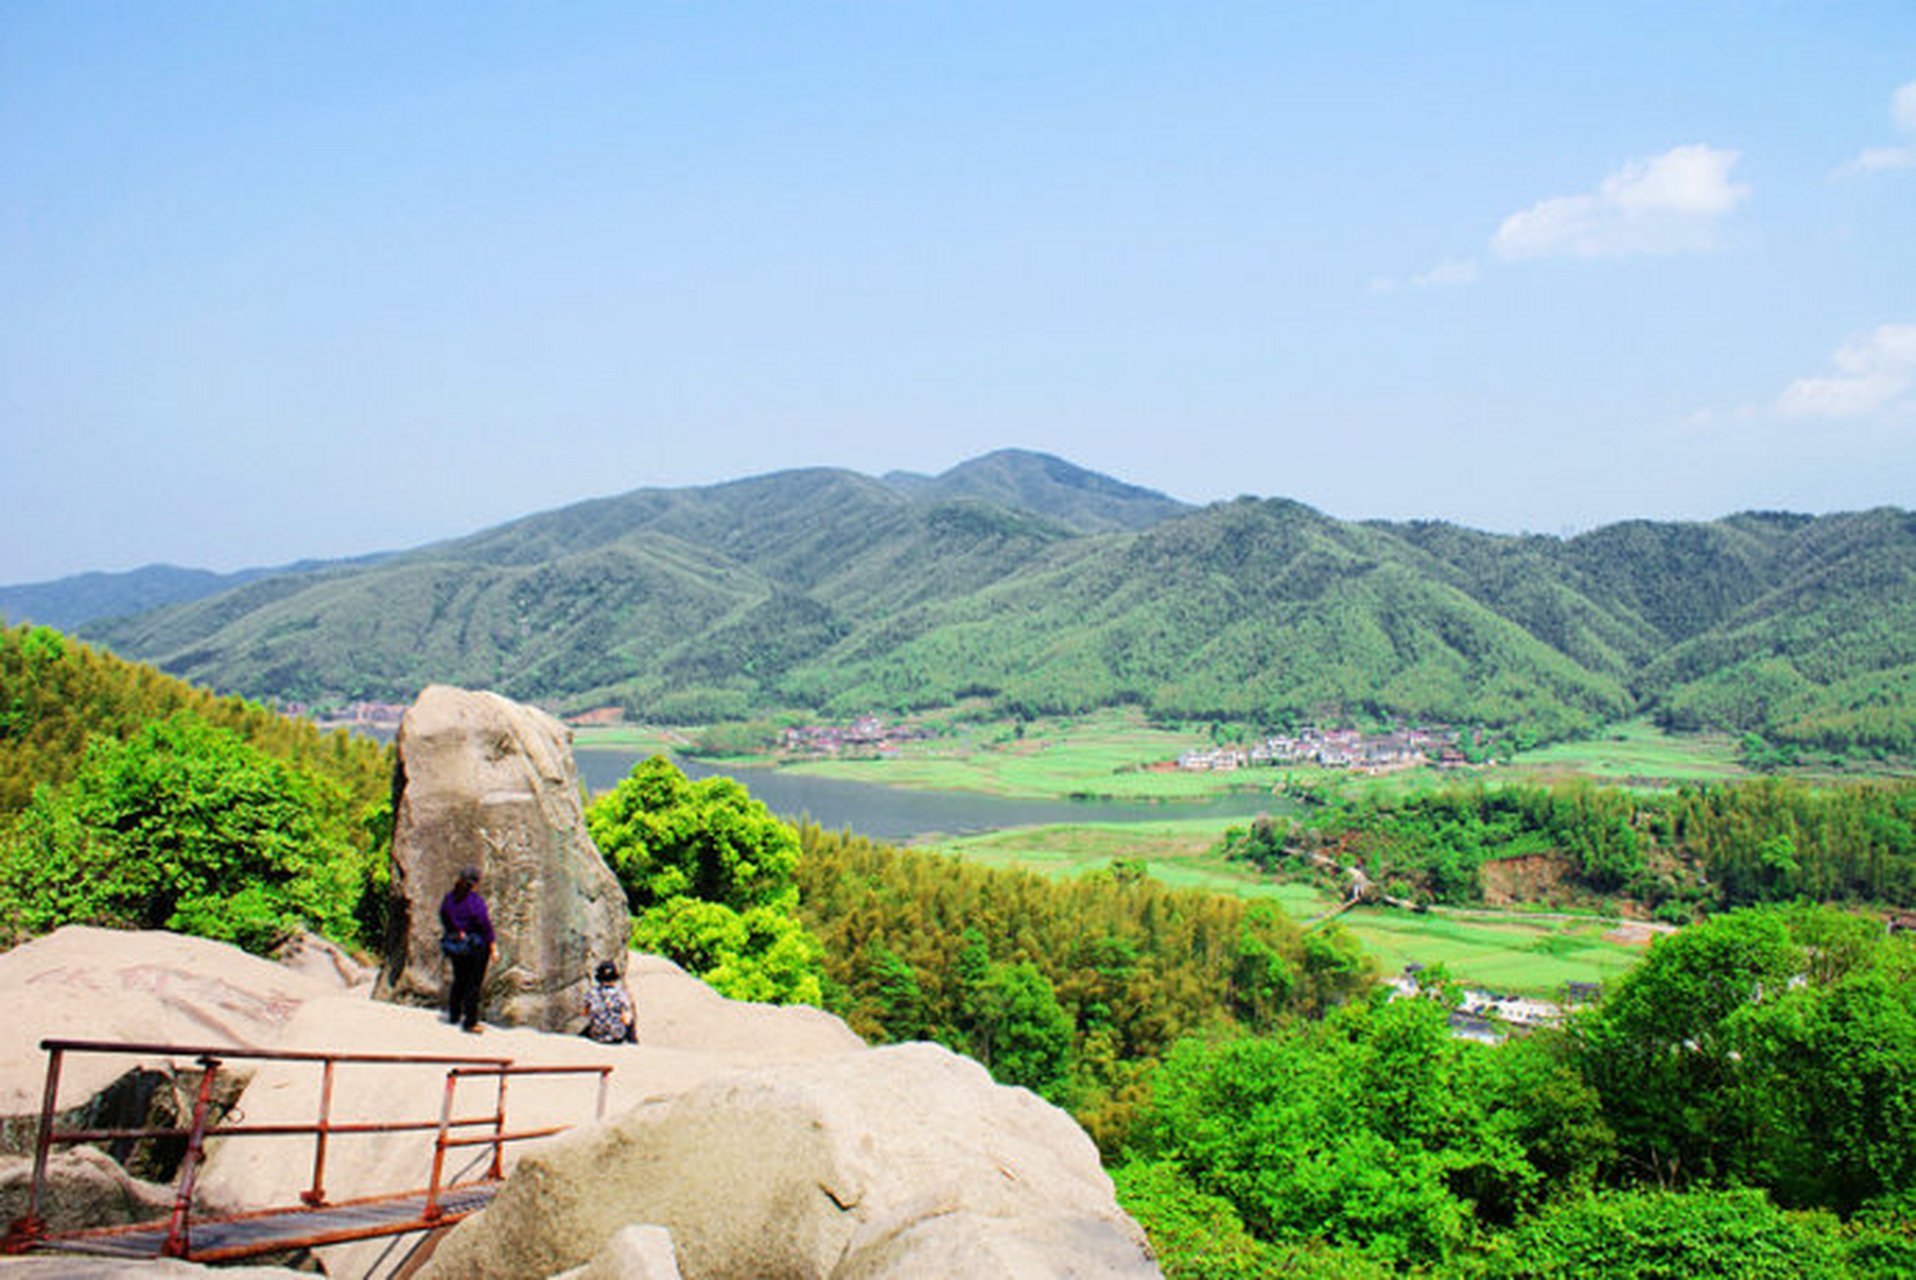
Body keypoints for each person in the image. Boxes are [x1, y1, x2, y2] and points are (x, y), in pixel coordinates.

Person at [438, 866, 495, 1034]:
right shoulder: (475, 902)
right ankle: (470, 1021)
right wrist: (492, 945)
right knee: (473, 984)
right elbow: (484, 924)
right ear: (475, 883)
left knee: (459, 980)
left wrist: (456, 932)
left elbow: (443, 916)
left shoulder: (450, 899)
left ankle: (454, 1015)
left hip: (458, 945)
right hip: (476, 946)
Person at [581, 959, 637, 1045]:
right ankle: (633, 1043)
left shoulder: (591, 993)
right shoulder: (621, 994)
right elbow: (625, 1019)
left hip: (597, 1034)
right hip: (616, 1036)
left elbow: (584, 1013)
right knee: (631, 1020)